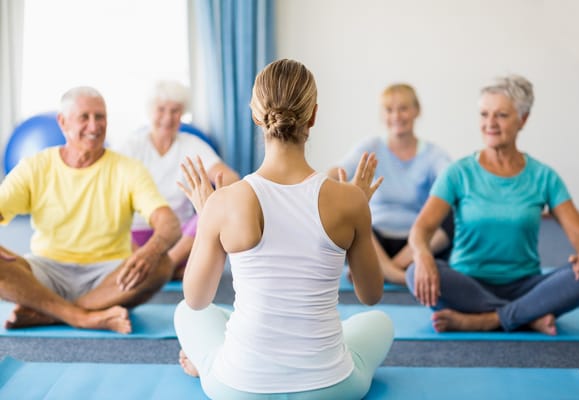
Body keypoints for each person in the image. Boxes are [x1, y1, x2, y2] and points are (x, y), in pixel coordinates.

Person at [174, 59, 394, 399]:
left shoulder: (224, 202)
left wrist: (208, 219)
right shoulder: (350, 201)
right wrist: (358, 210)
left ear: (254, 114)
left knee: (184, 313)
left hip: (238, 388)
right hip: (331, 389)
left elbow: (196, 299)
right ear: (314, 116)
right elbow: (370, 296)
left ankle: (206, 362)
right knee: (380, 322)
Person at [407, 75, 579, 335]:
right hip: (466, 284)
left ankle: (487, 320)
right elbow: (421, 230)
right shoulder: (458, 173)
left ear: (523, 119)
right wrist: (423, 256)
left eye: (501, 115)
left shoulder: (544, 176)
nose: (490, 124)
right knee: (413, 272)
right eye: (484, 114)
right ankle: (527, 316)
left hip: (526, 284)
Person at [0, 86, 180, 333]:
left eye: (100, 117)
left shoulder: (128, 169)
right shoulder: (34, 166)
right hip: (47, 271)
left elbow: (169, 223)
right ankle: (82, 317)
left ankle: (52, 313)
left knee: (161, 264)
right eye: (84, 117)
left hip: (109, 276)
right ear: (63, 122)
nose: (94, 126)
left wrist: (149, 252)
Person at [329, 83, 453, 285]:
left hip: (416, 242)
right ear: (383, 115)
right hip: (374, 239)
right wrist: (326, 185)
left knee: (454, 214)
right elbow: (337, 172)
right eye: (389, 110)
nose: (396, 116)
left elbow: (452, 181)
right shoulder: (371, 146)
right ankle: (401, 277)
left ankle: (386, 269)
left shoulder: (433, 154)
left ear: (416, 111)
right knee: (347, 213)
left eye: (403, 108)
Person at [116, 80, 239, 279]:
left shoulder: (192, 145)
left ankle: (164, 267)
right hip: (137, 236)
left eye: (175, 111)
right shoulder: (132, 145)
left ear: (182, 115)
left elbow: (230, 177)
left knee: (210, 211)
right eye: (161, 110)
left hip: (180, 238)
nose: (167, 118)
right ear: (150, 111)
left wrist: (217, 196)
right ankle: (168, 270)